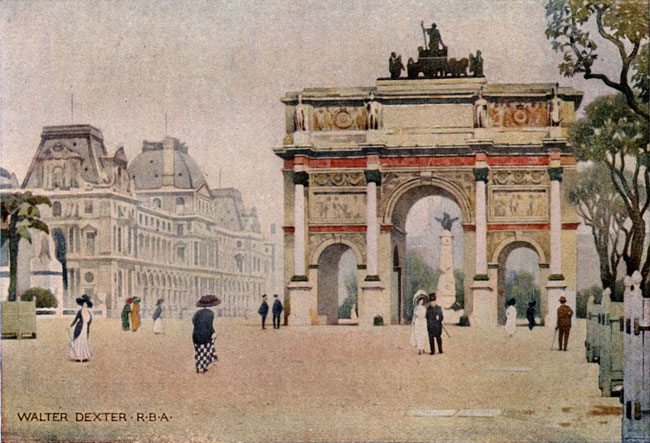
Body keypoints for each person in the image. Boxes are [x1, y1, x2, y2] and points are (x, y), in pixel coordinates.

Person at [192, 295, 220, 373]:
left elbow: (193, 321)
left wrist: (198, 328)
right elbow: (209, 325)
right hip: (205, 335)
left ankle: (198, 366)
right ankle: (203, 367)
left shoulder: (197, 313)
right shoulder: (210, 314)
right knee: (205, 351)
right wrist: (213, 333)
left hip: (196, 334)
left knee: (198, 351)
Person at [68, 294, 93, 362]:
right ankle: (77, 356)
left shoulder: (89, 312)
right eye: (84, 304)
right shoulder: (80, 311)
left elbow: (90, 321)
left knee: (84, 341)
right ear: (82, 304)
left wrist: (87, 326)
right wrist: (70, 326)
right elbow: (76, 319)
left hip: (85, 328)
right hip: (79, 328)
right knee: (79, 341)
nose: (85, 305)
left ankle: (84, 356)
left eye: (86, 304)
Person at [410, 290, 428, 355]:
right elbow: (414, 316)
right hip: (418, 322)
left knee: (423, 335)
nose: (421, 301)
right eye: (420, 300)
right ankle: (419, 349)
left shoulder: (424, 308)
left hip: (423, 322)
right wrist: (413, 323)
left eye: (422, 301)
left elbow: (425, 315)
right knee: (418, 335)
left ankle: (423, 348)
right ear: (418, 301)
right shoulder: (416, 308)